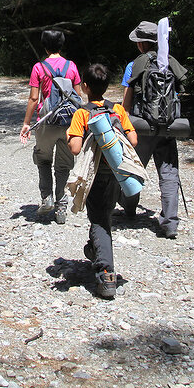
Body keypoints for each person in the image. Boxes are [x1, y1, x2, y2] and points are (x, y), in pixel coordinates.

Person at [66, 62, 138, 299]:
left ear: (84, 87)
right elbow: (134, 141)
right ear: (107, 86)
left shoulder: (82, 113)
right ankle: (94, 248)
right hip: (117, 173)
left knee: (99, 221)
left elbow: (76, 148)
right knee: (102, 214)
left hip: (94, 175)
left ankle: (106, 273)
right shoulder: (117, 110)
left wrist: (70, 136)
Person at [120, 20, 188, 238]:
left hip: (142, 126)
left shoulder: (135, 65)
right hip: (168, 126)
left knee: (133, 169)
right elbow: (178, 95)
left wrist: (124, 123)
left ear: (141, 44)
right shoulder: (170, 62)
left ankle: (129, 208)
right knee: (169, 173)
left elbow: (127, 101)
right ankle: (170, 223)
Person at [19, 30, 84, 224]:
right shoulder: (71, 66)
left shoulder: (39, 67)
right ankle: (61, 209)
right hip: (68, 124)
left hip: (46, 121)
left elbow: (33, 98)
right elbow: (78, 98)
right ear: (61, 45)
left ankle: (46, 197)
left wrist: (26, 124)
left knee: (44, 160)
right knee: (63, 165)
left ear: (44, 46)